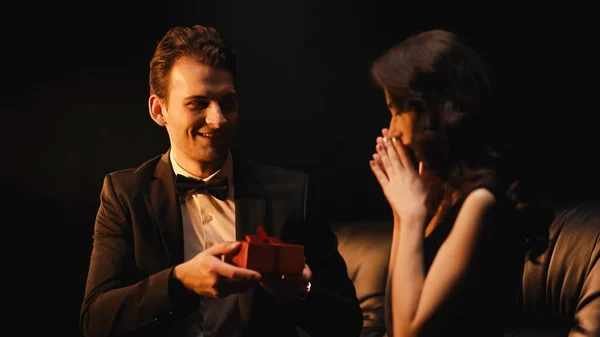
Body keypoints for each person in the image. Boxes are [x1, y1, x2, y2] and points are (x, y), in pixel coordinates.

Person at [79, 24, 362, 337]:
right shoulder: (125, 194)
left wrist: (300, 293)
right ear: (159, 111)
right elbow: (96, 321)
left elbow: (348, 323)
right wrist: (180, 281)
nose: (218, 119)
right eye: (198, 104)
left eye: (227, 102)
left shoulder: (294, 195)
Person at [368, 30, 539, 337]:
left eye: (397, 110)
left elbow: (409, 334)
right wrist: (401, 213)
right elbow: (395, 323)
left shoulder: (481, 202)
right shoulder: (442, 195)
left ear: (431, 112)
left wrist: (410, 217)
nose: (391, 130)